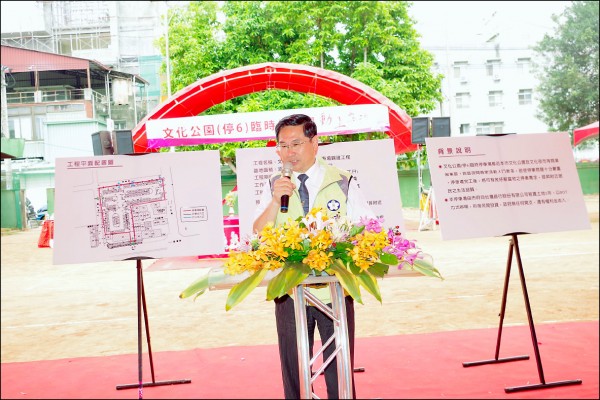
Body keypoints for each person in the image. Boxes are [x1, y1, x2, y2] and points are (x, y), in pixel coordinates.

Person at [253, 113, 376, 399]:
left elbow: (368, 227)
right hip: (290, 291)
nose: (289, 152)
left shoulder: (342, 181)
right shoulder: (274, 184)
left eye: (296, 143)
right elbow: (258, 234)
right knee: (294, 370)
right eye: (283, 145)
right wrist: (275, 201)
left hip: (335, 290)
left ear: (315, 142)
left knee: (339, 369)